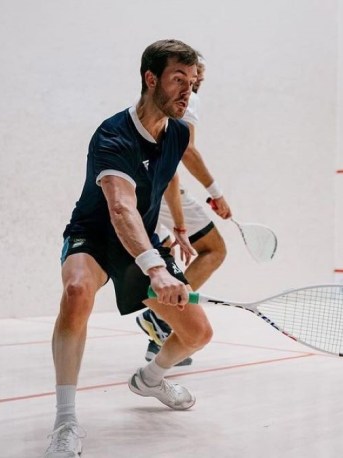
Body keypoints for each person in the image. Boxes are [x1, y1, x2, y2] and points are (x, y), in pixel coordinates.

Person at [45, 39, 213, 458]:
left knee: (198, 334)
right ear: (150, 78)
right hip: (95, 234)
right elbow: (120, 207)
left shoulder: (179, 133)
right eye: (179, 79)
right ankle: (66, 421)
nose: (187, 90)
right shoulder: (113, 134)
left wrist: (177, 225)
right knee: (77, 291)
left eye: (192, 82)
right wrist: (155, 268)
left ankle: (151, 379)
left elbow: (170, 179)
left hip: (145, 239)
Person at [136, 58, 232, 367]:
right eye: (189, 73)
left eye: (198, 71)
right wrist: (216, 193)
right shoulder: (188, 99)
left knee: (168, 250)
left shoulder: (155, 102)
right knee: (214, 249)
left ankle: (159, 341)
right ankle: (163, 320)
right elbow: (186, 151)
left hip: (141, 185)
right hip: (158, 188)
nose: (195, 78)